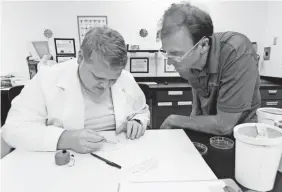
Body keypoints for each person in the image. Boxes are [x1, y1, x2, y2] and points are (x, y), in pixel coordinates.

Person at [2, 26, 150, 153]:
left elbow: (142, 110)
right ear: (80, 57)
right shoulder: (47, 79)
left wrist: (138, 121)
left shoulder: (126, 78)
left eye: (112, 80)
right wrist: (64, 139)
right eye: (98, 77)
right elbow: (14, 129)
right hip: (64, 163)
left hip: (117, 154)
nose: (105, 86)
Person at [158, 3, 260, 135]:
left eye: (176, 54)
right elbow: (197, 109)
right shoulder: (190, 62)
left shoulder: (236, 51)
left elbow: (225, 125)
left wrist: (175, 120)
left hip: (242, 137)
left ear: (203, 45)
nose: (170, 61)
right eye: (166, 52)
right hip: (211, 131)